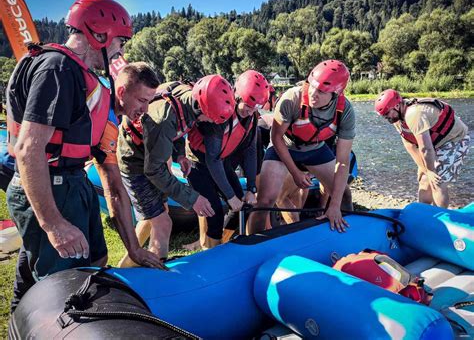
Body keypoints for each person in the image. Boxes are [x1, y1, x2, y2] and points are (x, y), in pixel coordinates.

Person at [6, 0, 164, 313]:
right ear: (99, 33)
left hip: (72, 183)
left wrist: (134, 247)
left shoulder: (87, 82)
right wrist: (54, 224)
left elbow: (113, 182)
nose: (121, 51)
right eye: (119, 42)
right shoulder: (57, 68)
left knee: (93, 264)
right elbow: (28, 149)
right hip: (51, 186)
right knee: (62, 288)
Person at [116, 74, 235, 262]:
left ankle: (129, 266)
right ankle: (156, 277)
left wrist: (179, 154)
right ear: (200, 107)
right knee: (163, 223)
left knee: (155, 216)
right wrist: (192, 198)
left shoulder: (189, 100)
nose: (213, 123)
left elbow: (177, 130)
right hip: (135, 162)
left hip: (152, 154)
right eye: (211, 119)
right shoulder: (163, 118)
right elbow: (154, 170)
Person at [247, 60, 355, 234]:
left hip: (315, 150)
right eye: (312, 86)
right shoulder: (292, 98)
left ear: (336, 93)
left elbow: (342, 162)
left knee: (344, 194)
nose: (313, 93)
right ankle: (251, 243)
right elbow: (276, 137)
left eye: (321, 91)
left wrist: (334, 206)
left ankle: (346, 233)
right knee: (265, 201)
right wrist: (295, 173)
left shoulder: (346, 111)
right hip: (284, 147)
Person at [186, 70, 269, 248]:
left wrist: (252, 188)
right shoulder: (221, 114)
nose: (250, 111)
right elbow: (212, 159)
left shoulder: (251, 117)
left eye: (254, 107)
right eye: (247, 105)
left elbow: (250, 151)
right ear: (237, 96)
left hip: (220, 162)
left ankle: (220, 243)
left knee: (242, 205)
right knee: (214, 212)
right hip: (198, 164)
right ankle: (210, 251)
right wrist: (230, 196)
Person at [374, 89, 470, 207]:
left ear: (397, 105)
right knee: (424, 179)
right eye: (384, 116)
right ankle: (423, 214)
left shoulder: (414, 114)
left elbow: (426, 149)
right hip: (434, 144)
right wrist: (423, 168)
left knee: (437, 180)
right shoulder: (397, 118)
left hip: (455, 139)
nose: (386, 118)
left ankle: (439, 216)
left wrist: (431, 171)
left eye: (387, 113)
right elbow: (409, 143)